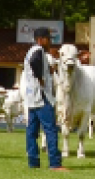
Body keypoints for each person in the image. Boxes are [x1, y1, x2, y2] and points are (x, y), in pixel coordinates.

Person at [23, 27, 67, 171]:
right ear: (40, 39)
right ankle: (55, 163)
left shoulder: (30, 51)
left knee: (32, 132)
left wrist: (49, 70)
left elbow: (38, 65)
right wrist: (40, 78)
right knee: (50, 129)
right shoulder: (38, 51)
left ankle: (33, 162)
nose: (50, 42)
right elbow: (35, 63)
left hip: (31, 98)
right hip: (41, 97)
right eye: (48, 39)